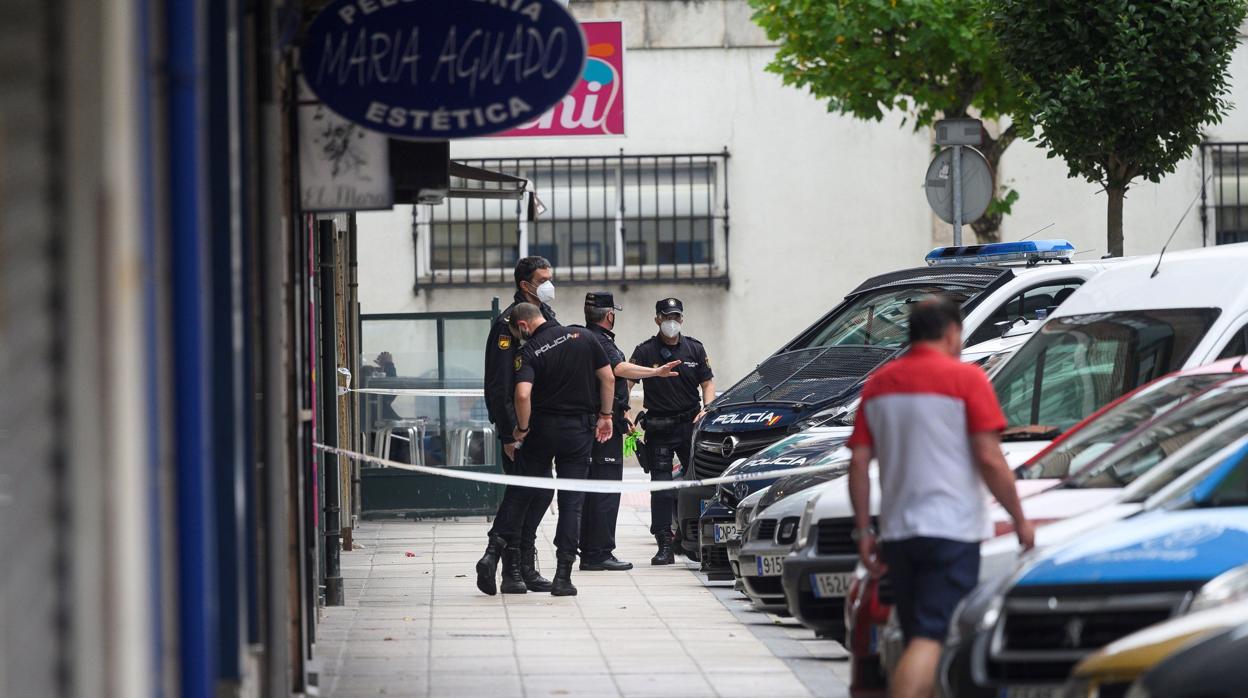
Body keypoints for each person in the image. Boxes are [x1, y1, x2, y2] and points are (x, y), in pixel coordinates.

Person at [846, 297, 1034, 698]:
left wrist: (863, 530)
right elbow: (989, 457)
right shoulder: (967, 380)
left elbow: (859, 464)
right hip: (951, 531)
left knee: (917, 634)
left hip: (898, 533)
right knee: (931, 637)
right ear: (952, 333)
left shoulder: (879, 385)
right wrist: (1019, 518)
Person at [507, 303, 615, 596]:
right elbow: (609, 378)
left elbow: (522, 393)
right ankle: (563, 576)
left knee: (524, 491)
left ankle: (505, 557)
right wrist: (606, 416)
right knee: (571, 505)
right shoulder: (585, 338)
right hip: (579, 432)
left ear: (524, 326)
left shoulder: (531, 350)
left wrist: (522, 429)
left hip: (542, 430)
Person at [577, 292, 681, 572]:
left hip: (601, 422)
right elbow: (618, 369)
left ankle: (590, 550)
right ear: (610, 315)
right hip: (603, 428)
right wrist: (655, 373)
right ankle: (599, 552)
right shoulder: (602, 341)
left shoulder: (587, 337)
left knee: (595, 489)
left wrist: (621, 412)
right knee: (606, 490)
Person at [476, 256, 559, 596]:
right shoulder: (507, 325)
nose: (550, 283)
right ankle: (511, 566)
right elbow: (499, 385)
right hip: (518, 428)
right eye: (543, 278)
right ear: (525, 285)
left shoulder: (546, 317)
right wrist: (509, 432)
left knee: (536, 492)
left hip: (540, 424)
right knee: (524, 492)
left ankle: (518, 565)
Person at [630, 298, 715, 565]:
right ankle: (664, 543)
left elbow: (708, 382)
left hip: (689, 424)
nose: (672, 322)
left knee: (698, 484)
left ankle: (700, 540)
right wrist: (623, 411)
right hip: (659, 427)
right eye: (667, 317)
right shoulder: (645, 351)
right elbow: (627, 381)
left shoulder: (694, 348)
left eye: (676, 317)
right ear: (657, 319)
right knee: (662, 488)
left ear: (682, 319)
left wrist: (708, 408)